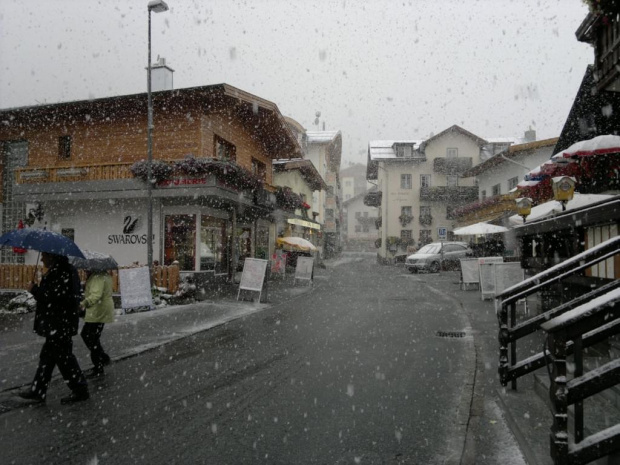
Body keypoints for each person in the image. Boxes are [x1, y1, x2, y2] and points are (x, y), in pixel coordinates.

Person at [19, 252, 89, 404]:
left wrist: (34, 290)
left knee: (64, 358)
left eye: (44, 255)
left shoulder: (62, 272)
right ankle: (38, 389)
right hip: (58, 323)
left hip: (59, 323)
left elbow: (55, 297)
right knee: (48, 357)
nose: (42, 258)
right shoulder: (63, 270)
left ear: (52, 256)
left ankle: (80, 389)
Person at [80, 269, 114, 377]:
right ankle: (102, 358)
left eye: (87, 269)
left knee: (90, 337)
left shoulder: (97, 277)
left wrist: (84, 303)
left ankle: (98, 367)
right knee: (91, 336)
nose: (85, 271)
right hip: (100, 310)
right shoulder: (102, 275)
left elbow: (96, 295)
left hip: (98, 311)